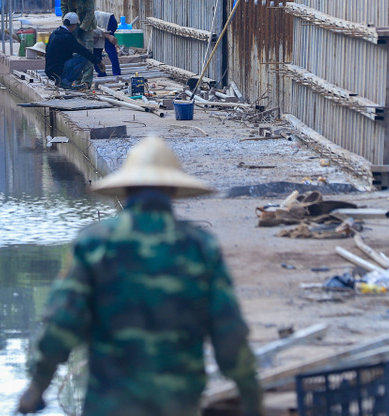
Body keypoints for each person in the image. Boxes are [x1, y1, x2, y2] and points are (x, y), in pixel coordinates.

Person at [17, 136, 264, 416]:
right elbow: (228, 332)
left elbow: (62, 323)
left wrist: (37, 386)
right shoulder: (199, 247)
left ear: (126, 189)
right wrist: (251, 397)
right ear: (173, 190)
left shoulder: (95, 243)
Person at [45, 12, 106, 89]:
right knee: (83, 57)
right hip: (58, 73)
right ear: (74, 25)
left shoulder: (55, 33)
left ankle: (62, 81)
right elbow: (83, 51)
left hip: (51, 73)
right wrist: (98, 61)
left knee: (77, 56)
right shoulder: (67, 37)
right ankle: (65, 82)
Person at [61, 0, 97, 84]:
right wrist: (67, 22)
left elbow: (89, 13)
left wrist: (82, 28)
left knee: (87, 53)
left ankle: (86, 82)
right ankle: (76, 79)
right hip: (71, 25)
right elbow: (64, 7)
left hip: (87, 27)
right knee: (73, 53)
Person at [95, 10, 122, 77]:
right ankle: (114, 72)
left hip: (107, 22)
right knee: (100, 50)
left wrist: (108, 36)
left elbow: (95, 30)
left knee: (106, 49)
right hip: (109, 20)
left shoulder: (81, 22)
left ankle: (103, 72)